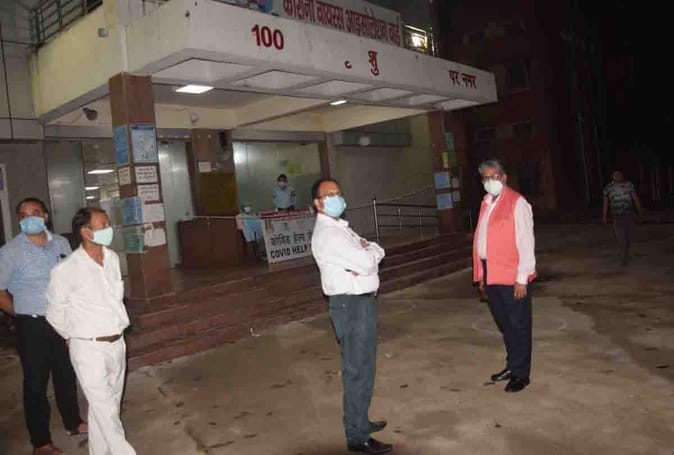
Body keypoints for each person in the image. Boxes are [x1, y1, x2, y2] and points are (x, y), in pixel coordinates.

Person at [310, 178, 392, 454]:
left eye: (338, 193)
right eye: (328, 195)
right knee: (357, 370)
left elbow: (375, 250)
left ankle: (361, 421)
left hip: (361, 304)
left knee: (365, 366)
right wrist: (368, 254)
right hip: (351, 305)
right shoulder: (329, 234)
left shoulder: (341, 228)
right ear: (318, 203)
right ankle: (357, 436)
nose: (335, 198)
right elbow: (368, 261)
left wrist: (369, 252)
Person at [46, 207, 136, 455]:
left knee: (106, 408)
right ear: (86, 232)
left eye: (108, 223)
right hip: (88, 347)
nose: (109, 229)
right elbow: (54, 312)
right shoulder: (66, 269)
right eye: (103, 225)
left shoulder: (112, 258)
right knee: (106, 411)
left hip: (117, 342)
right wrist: (71, 335)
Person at [0, 198, 86, 455]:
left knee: (66, 373)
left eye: (35, 212)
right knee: (35, 383)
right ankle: (41, 442)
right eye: (23, 215)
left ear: (45, 216)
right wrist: (21, 313)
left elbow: (72, 278)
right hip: (32, 324)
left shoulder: (61, 243)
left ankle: (73, 422)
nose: (30, 218)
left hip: (62, 321)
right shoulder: (10, 252)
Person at [472, 160, 536, 393]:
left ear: (504, 177)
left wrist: (522, 278)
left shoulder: (517, 203)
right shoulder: (486, 203)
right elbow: (483, 239)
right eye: (486, 178)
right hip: (491, 271)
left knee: (519, 325)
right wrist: (481, 275)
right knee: (505, 324)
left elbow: (526, 242)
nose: (491, 181)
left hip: (511, 274)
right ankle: (512, 365)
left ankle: (521, 374)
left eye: (495, 176)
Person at [603, 170, 642, 265]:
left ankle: (626, 251)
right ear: (612, 176)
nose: (617, 176)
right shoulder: (608, 188)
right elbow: (606, 202)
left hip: (629, 214)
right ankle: (624, 255)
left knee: (630, 235)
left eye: (619, 174)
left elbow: (634, 198)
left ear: (622, 175)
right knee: (620, 236)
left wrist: (639, 210)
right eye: (615, 175)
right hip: (616, 215)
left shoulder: (628, 185)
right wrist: (604, 215)